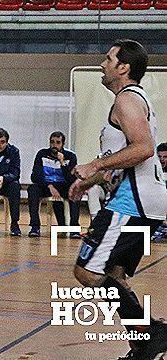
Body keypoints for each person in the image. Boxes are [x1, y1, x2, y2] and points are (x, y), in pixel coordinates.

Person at [69, 39, 167, 360]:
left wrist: (95, 165)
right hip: (145, 201)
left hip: (132, 202)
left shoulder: (126, 100)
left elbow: (143, 148)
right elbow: (122, 158)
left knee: (86, 271)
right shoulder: (131, 101)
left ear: (123, 67)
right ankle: (144, 345)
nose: (103, 64)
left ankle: (153, 332)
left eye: (109, 59)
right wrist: (90, 180)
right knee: (114, 276)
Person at [27, 131, 79, 238]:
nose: (54, 145)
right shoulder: (42, 154)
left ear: (63, 144)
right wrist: (49, 186)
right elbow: (35, 176)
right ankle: (35, 227)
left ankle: (74, 229)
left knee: (75, 190)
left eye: (58, 142)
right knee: (32, 189)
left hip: (63, 186)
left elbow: (71, 179)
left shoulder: (71, 156)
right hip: (46, 186)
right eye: (52, 142)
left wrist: (62, 162)